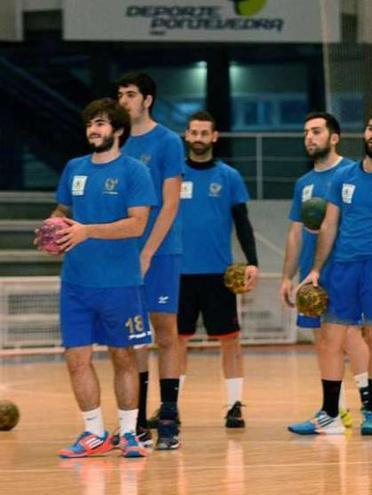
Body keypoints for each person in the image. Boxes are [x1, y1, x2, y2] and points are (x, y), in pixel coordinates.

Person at [290, 108, 372, 436]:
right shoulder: (343, 177)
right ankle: (330, 413)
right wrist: (317, 270)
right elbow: (330, 225)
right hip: (343, 268)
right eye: (369, 128)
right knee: (330, 340)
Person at [50, 98, 157, 459]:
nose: (93, 130)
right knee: (76, 358)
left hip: (120, 283)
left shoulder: (134, 171)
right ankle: (94, 432)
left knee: (123, 356)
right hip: (76, 283)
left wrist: (87, 232)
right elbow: (63, 211)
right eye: (89, 125)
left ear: (118, 130)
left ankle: (129, 433)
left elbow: (137, 223)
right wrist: (52, 228)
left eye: (100, 124)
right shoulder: (74, 168)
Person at [280, 112, 371, 428]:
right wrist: (286, 276)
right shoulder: (304, 183)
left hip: (342, 268)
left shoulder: (352, 174)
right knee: (321, 341)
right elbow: (295, 232)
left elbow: (361, 223)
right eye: (306, 132)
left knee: (348, 337)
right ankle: (335, 412)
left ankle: (369, 405)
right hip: (310, 273)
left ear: (334, 137)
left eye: (316, 131)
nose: (309, 137)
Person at [177, 110, 259, 428]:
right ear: (187, 136)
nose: (198, 138)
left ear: (214, 137)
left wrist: (252, 261)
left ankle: (234, 405)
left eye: (204, 133)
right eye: (193, 133)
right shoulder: (172, 176)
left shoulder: (229, 177)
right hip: (179, 273)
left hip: (217, 274)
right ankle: (171, 406)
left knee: (230, 341)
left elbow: (243, 222)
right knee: (176, 342)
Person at [117, 72, 185, 450]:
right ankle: (137, 420)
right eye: (120, 94)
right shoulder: (118, 143)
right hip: (124, 251)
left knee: (165, 331)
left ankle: (170, 416)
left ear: (148, 99)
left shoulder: (167, 141)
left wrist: (147, 251)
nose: (124, 100)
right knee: (132, 333)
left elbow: (171, 202)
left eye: (130, 94)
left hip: (160, 250)